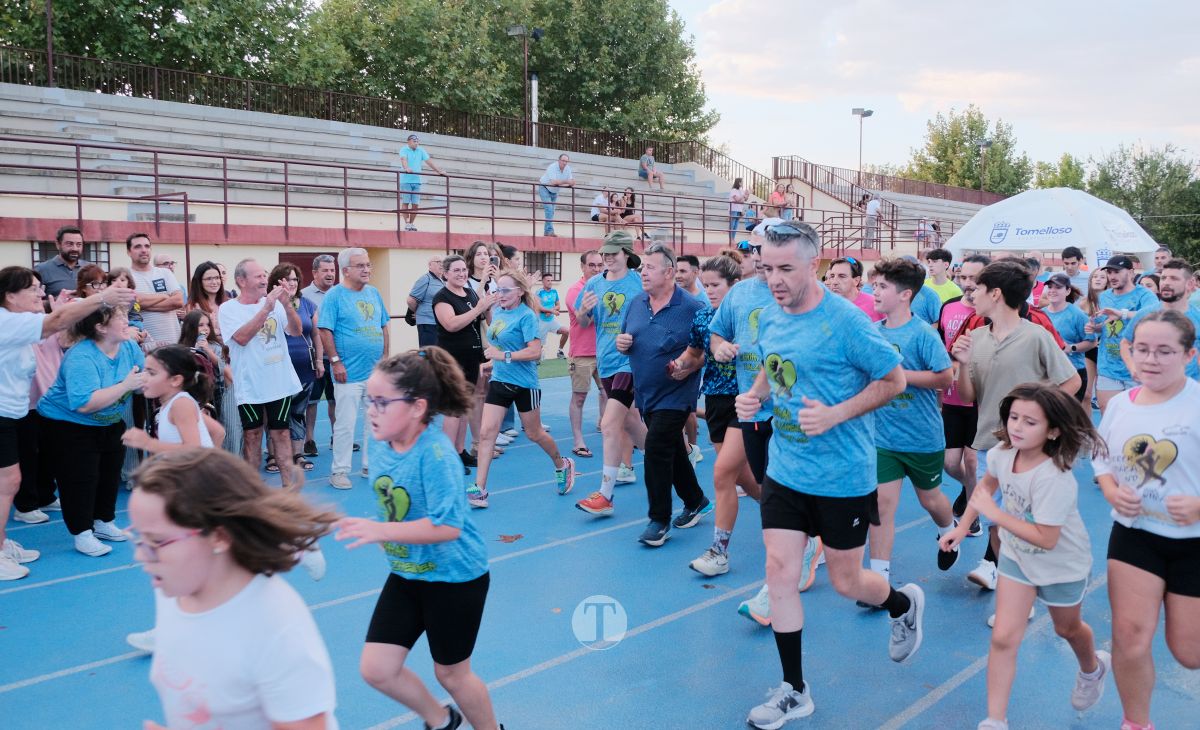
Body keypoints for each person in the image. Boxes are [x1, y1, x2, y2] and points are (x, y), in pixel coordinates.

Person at [734, 221, 921, 730]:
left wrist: (836, 413)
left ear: (813, 265)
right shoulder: (769, 315)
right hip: (787, 469)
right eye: (766, 267)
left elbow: (895, 380)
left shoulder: (847, 323)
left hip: (842, 476)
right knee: (779, 573)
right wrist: (758, 394)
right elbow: (774, 366)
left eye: (785, 269)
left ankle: (902, 604)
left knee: (845, 583)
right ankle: (795, 690)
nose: (773, 278)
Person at [335, 349, 502, 730]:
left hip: (456, 579)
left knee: (452, 674)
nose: (371, 411)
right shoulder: (380, 444)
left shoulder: (437, 455)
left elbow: (447, 527)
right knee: (377, 669)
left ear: (416, 407)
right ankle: (441, 720)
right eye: (368, 401)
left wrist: (381, 530)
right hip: (408, 573)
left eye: (381, 402)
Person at [128, 449, 339, 730]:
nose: (141, 555)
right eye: (138, 538)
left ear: (218, 536)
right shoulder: (173, 590)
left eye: (156, 542)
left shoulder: (275, 626)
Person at [942, 384, 1110, 730]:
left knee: (1068, 628)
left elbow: (1047, 538)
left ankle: (1092, 668)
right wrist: (963, 528)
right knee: (1003, 636)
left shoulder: (1055, 477)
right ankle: (994, 720)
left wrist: (996, 515)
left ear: (1053, 430)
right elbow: (987, 487)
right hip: (1018, 559)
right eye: (1014, 417)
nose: (1017, 427)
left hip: (1061, 565)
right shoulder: (1003, 454)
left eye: (1029, 422)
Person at [1095, 310, 1200, 730]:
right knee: (1130, 638)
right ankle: (1136, 723)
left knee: (1189, 652)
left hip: (1193, 542)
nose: (1151, 360)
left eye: (1164, 351)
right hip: (1135, 535)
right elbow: (1101, 460)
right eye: (1142, 350)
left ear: (1189, 356)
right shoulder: (1119, 405)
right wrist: (1110, 491)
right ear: (1130, 352)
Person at [950, 260, 1081, 593]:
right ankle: (1002, 572)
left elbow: (1072, 381)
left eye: (977, 287)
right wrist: (962, 366)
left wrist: (1038, 419)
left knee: (1018, 518)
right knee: (998, 517)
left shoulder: (1035, 335)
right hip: (987, 441)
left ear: (995, 293)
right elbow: (969, 395)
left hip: (1027, 448)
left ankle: (1007, 576)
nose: (971, 292)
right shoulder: (975, 336)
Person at [1, 267, 136, 578]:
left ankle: (2, 543)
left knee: (11, 483)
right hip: (18, 417)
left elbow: (58, 328)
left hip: (15, 413)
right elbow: (58, 324)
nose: (39, 293)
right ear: (9, 296)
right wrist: (104, 297)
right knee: (7, 484)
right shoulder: (6, 321)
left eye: (39, 287)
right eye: (32, 289)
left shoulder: (19, 323)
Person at [865, 258, 958, 594]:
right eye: (874, 285)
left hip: (921, 438)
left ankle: (950, 529)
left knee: (930, 500)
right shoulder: (872, 332)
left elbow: (945, 377)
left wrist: (898, 378)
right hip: (882, 438)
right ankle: (879, 579)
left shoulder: (922, 334)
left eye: (882, 287)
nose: (874, 291)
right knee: (880, 505)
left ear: (905, 294)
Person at [617, 243, 709, 546]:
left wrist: (688, 364)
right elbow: (626, 336)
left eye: (650, 267)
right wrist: (622, 344)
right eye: (642, 267)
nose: (643, 272)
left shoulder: (693, 308)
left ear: (669, 272)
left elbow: (709, 350)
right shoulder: (635, 303)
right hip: (646, 393)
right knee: (672, 450)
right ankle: (695, 499)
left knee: (656, 447)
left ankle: (659, 520)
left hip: (677, 394)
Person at [675, 251, 760, 575]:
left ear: (735, 285)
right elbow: (695, 352)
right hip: (715, 400)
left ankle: (719, 552)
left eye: (716, 285)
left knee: (723, 472)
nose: (709, 290)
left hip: (747, 399)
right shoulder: (702, 317)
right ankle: (793, 522)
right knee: (742, 477)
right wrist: (682, 364)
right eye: (705, 285)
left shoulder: (749, 313)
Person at [37, 303, 146, 557]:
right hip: (67, 424)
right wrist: (126, 385)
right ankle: (82, 533)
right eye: (119, 317)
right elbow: (84, 403)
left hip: (108, 421)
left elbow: (143, 378)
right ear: (100, 327)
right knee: (80, 478)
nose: (126, 321)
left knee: (108, 473)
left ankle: (103, 522)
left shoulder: (129, 347)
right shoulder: (81, 356)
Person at [468, 270, 576, 508]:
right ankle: (480, 489)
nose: (501, 294)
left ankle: (562, 464)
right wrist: (490, 363)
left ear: (519, 293)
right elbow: (500, 349)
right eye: (499, 290)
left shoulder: (527, 316)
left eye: (506, 290)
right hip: (499, 381)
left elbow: (534, 352)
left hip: (525, 384)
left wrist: (502, 356)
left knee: (534, 433)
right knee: (487, 433)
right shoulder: (497, 314)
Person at [574, 231, 648, 517]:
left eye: (613, 253)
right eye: (605, 253)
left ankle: (605, 494)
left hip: (630, 362)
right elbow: (582, 321)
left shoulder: (638, 283)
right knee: (631, 423)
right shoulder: (594, 283)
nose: (607, 258)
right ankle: (667, 464)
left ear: (626, 254)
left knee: (609, 423)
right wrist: (583, 310)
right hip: (605, 359)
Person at [217, 259, 304, 490]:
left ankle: (289, 491)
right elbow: (242, 338)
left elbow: (296, 331)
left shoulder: (276, 304)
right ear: (241, 281)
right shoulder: (228, 309)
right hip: (250, 384)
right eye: (258, 276)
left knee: (282, 434)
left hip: (279, 381)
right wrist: (266, 308)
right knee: (253, 436)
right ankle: (253, 491)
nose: (264, 279)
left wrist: (287, 306)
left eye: (265, 275)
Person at [319, 247, 389, 490]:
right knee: (345, 424)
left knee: (376, 421)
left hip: (374, 372)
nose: (367, 269)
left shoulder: (374, 293)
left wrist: (385, 359)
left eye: (368, 264)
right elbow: (324, 330)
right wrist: (335, 361)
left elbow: (383, 325)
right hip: (347, 373)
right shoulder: (334, 296)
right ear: (346, 270)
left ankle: (371, 464)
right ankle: (339, 471)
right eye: (361, 266)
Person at [940, 255, 990, 539]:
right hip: (952, 398)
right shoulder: (948, 308)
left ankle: (973, 516)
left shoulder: (994, 314)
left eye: (974, 278)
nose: (968, 284)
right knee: (950, 464)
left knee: (972, 463)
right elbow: (943, 349)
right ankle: (971, 489)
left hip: (981, 402)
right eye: (963, 277)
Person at [435, 254, 495, 468]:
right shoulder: (442, 297)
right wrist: (479, 308)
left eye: (463, 270)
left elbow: (480, 318)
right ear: (445, 274)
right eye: (456, 270)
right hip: (452, 359)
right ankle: (448, 458)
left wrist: (485, 306)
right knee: (453, 410)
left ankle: (459, 451)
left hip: (472, 357)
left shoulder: (469, 292)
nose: (461, 274)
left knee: (464, 408)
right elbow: (451, 324)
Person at [267, 263, 322, 475]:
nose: (291, 283)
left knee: (298, 411)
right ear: (276, 282)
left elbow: (315, 334)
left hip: (304, 366)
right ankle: (272, 454)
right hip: (277, 366)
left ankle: (297, 453)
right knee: (275, 412)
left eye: (295, 279)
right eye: (287, 279)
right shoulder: (270, 304)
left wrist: (318, 361)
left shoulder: (307, 304)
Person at [1087, 255, 1160, 413]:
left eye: (1117, 272)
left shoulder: (1144, 295)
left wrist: (1123, 314)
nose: (1112, 276)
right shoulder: (1105, 296)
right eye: (1110, 272)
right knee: (1108, 415)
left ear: (1131, 273)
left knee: (1136, 417)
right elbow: (1110, 325)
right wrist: (1095, 327)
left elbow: (1154, 315)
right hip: (1108, 365)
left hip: (1135, 367)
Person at [1121, 258, 1200, 382]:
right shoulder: (1145, 314)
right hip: (1152, 388)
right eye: (1163, 278)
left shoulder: (1197, 317)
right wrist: (1133, 368)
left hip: (1189, 389)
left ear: (1190, 284)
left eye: (1174, 278)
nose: (1166, 283)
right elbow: (1125, 342)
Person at [565, 250, 607, 458]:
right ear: (582, 267)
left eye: (600, 265)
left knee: (610, 394)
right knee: (579, 397)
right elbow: (587, 320)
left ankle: (607, 426)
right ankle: (578, 440)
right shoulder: (575, 291)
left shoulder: (607, 286)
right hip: (582, 353)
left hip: (605, 352)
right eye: (592, 265)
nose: (597, 269)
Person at [179, 309, 239, 454]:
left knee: (229, 433)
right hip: (197, 398)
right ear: (191, 327)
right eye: (201, 325)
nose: (205, 329)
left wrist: (209, 353)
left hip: (222, 394)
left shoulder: (215, 346)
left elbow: (229, 374)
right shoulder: (182, 349)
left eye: (208, 325)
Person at [301, 254, 338, 457]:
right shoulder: (303, 295)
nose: (330, 274)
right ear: (315, 272)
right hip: (314, 358)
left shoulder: (341, 294)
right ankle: (309, 440)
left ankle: (337, 438)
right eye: (325, 270)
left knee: (336, 400)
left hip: (338, 358)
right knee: (312, 402)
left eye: (332, 270)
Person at [1043, 273, 1096, 402]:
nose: (1052, 291)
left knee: (1068, 417)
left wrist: (1070, 347)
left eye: (1057, 287)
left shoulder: (1078, 315)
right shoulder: (1041, 313)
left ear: (1067, 291)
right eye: (1050, 287)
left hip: (1072, 372)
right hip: (1047, 373)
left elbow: (1092, 342)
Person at [126, 233, 184, 347]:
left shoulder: (165, 273)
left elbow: (178, 301)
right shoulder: (125, 277)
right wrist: (164, 296)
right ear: (128, 252)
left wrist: (142, 304)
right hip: (146, 347)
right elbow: (131, 301)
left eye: (147, 246)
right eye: (138, 247)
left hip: (174, 343)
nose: (143, 250)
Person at [398, 134, 445, 232]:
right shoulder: (404, 149)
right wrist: (406, 168)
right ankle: (407, 223)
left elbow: (429, 162)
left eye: (417, 141)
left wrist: (439, 171)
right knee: (406, 202)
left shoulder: (421, 150)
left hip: (417, 181)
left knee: (415, 204)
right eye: (414, 141)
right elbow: (403, 160)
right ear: (409, 141)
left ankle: (411, 223)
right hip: (406, 180)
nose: (416, 143)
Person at [35, 225, 90, 297]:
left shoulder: (90, 268)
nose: (75, 248)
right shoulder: (41, 270)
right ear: (58, 245)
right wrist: (57, 301)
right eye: (70, 244)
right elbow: (32, 301)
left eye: (79, 244)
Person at [1081, 267, 1109, 408]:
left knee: (1102, 396)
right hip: (1089, 348)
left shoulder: (1112, 302)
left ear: (1107, 281)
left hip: (1107, 349)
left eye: (1102, 277)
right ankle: (1086, 428)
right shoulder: (1083, 303)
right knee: (1086, 393)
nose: (1098, 279)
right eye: (1095, 276)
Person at [825, 257, 884, 322]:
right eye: (832, 276)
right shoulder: (825, 306)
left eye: (842, 276)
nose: (834, 282)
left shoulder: (875, 304)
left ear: (856, 280)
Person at [407, 256, 445, 347]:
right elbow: (411, 300)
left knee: (437, 355)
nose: (441, 264)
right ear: (430, 265)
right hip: (427, 324)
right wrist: (417, 312)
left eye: (442, 262)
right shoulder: (425, 279)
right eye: (438, 262)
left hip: (439, 324)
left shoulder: (442, 281)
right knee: (428, 354)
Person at [186, 261, 228, 339]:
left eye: (217, 278)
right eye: (209, 279)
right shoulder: (194, 307)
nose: (214, 282)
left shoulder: (228, 304)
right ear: (199, 282)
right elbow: (195, 335)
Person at [537, 153, 575, 237]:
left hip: (555, 191)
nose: (565, 163)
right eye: (563, 161)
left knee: (551, 211)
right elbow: (553, 182)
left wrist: (568, 182)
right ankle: (549, 231)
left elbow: (572, 181)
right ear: (559, 160)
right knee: (549, 209)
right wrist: (566, 181)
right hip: (545, 187)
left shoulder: (568, 168)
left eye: (566, 161)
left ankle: (547, 231)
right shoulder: (552, 167)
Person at [536, 272, 569, 359]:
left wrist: (551, 311)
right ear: (543, 281)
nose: (550, 282)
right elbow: (539, 308)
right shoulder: (539, 292)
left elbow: (558, 305)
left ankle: (560, 351)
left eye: (551, 280)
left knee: (566, 331)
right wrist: (552, 311)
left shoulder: (554, 292)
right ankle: (537, 357)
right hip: (541, 321)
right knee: (539, 346)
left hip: (551, 321)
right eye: (548, 280)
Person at [728, 178, 749, 245]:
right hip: (734, 208)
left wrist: (748, 194)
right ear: (739, 183)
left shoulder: (741, 190)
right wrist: (743, 196)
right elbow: (737, 199)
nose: (743, 183)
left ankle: (733, 239)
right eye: (742, 182)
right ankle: (731, 239)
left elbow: (745, 200)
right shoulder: (734, 190)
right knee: (732, 224)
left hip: (739, 209)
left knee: (736, 225)